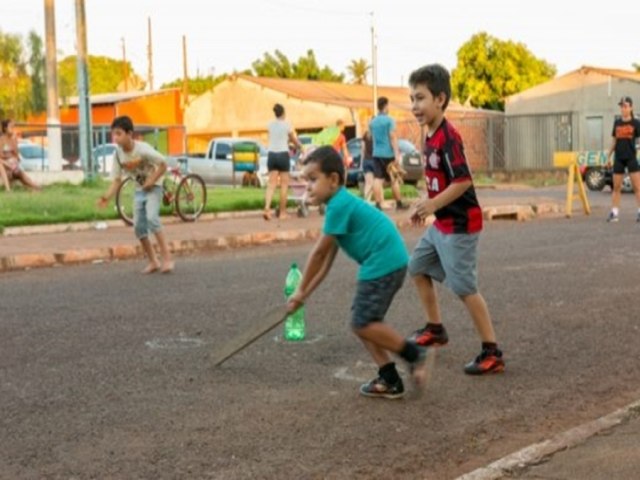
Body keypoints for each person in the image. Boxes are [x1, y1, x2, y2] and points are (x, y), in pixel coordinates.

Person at [285, 145, 429, 399]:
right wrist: (304, 294)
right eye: (306, 180)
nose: (308, 186)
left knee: (363, 322)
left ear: (333, 180)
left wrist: (298, 291)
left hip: (382, 262)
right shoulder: (339, 205)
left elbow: (318, 254)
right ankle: (389, 378)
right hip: (387, 261)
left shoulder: (339, 205)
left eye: (313, 179)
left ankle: (413, 353)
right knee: (363, 321)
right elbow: (327, 262)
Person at [406, 64, 504, 375]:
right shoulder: (429, 135)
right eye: (412, 99)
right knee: (417, 267)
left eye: (420, 98)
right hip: (441, 224)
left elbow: (462, 180)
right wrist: (425, 203)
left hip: (461, 225)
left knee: (465, 288)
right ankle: (435, 329)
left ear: (440, 99)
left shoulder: (449, 136)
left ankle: (492, 352)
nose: (415, 106)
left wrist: (432, 204)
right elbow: (438, 178)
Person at [97, 115, 174, 274]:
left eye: (119, 133)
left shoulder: (143, 149)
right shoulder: (118, 155)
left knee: (152, 218)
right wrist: (106, 197)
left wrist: (152, 180)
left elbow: (163, 164)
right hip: (140, 190)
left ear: (129, 134)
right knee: (138, 227)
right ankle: (153, 261)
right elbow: (117, 180)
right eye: (114, 134)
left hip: (155, 187)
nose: (115, 138)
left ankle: (167, 258)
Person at [263, 103, 302, 221]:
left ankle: (266, 209)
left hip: (272, 155)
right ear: (283, 113)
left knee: (271, 184)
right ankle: (282, 213)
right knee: (284, 185)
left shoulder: (269, 124)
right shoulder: (287, 124)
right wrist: (300, 146)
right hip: (283, 155)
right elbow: (293, 139)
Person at [605, 96, 640, 222]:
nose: (623, 109)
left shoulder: (636, 123)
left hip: (631, 158)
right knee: (616, 187)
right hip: (618, 158)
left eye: (625, 106)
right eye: (621, 106)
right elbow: (614, 140)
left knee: (637, 187)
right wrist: (608, 156)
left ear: (631, 107)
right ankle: (614, 213)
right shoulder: (617, 123)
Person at [369, 97, 407, 210]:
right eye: (388, 105)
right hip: (388, 154)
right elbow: (392, 137)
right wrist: (396, 153)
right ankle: (399, 204)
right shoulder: (390, 120)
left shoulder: (372, 122)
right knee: (394, 180)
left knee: (377, 179)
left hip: (376, 153)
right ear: (385, 106)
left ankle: (377, 204)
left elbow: (372, 137)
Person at [0, 119, 40, 191]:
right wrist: (8, 156)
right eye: (11, 127)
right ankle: (8, 189)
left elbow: (17, 155)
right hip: (5, 165)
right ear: (5, 128)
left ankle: (36, 187)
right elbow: (1, 155)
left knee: (22, 176)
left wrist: (14, 141)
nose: (12, 129)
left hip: (14, 165)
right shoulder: (1, 140)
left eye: (13, 127)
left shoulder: (13, 139)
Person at [361, 128, 375, 202]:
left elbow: (363, 149)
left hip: (366, 161)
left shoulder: (365, 134)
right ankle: (379, 201)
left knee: (368, 183)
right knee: (376, 182)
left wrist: (362, 162)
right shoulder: (376, 134)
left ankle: (366, 201)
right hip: (375, 161)